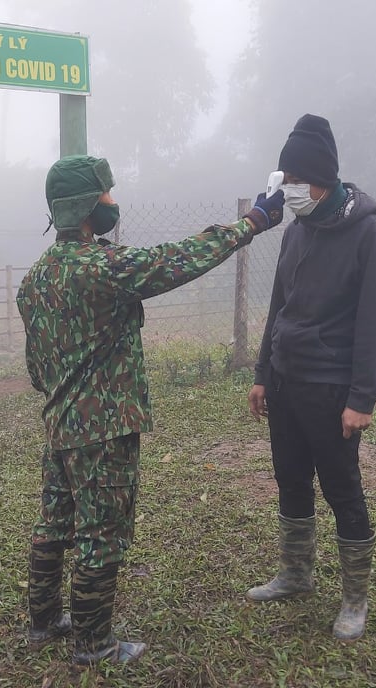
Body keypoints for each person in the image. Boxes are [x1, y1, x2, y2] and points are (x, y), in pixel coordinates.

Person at [17, 154, 285, 665]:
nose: (114, 203)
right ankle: (94, 644)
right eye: (107, 196)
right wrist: (254, 222)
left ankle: (44, 619)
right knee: (102, 534)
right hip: (104, 430)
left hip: (59, 426)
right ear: (86, 206)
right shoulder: (102, 269)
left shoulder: (35, 279)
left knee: (54, 523)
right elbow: (177, 259)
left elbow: (36, 368)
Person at [246, 114, 376, 642]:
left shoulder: (371, 234)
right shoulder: (297, 232)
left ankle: (355, 599)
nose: (285, 189)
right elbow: (278, 307)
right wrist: (264, 372)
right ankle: (296, 574)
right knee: (290, 479)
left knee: (342, 490)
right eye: (282, 179)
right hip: (286, 384)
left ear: (319, 180)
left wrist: (362, 397)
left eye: (292, 179)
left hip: (332, 391)